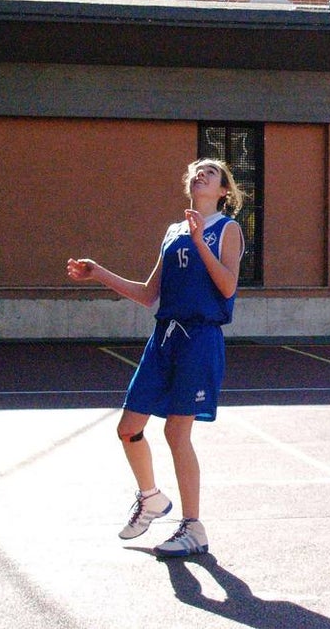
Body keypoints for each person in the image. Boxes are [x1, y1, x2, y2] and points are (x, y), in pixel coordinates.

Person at [67, 158, 245, 557]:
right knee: (128, 427)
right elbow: (150, 294)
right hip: (164, 337)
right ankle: (150, 498)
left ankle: (193, 528)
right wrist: (99, 273)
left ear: (224, 191)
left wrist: (201, 242)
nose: (202, 174)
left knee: (176, 433)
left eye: (211, 172)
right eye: (197, 170)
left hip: (199, 339)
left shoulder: (226, 229)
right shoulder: (173, 232)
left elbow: (228, 287)